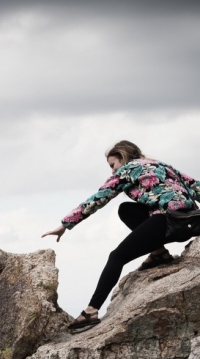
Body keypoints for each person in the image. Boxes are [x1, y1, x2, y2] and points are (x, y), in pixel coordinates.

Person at [42, 140, 200, 331]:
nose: (112, 171)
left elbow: (98, 198)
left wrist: (65, 225)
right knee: (126, 209)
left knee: (117, 257)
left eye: (112, 165)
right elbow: (196, 186)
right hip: (192, 222)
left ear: (123, 158)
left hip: (168, 221)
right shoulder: (162, 165)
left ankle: (91, 310)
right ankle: (159, 254)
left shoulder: (127, 170)